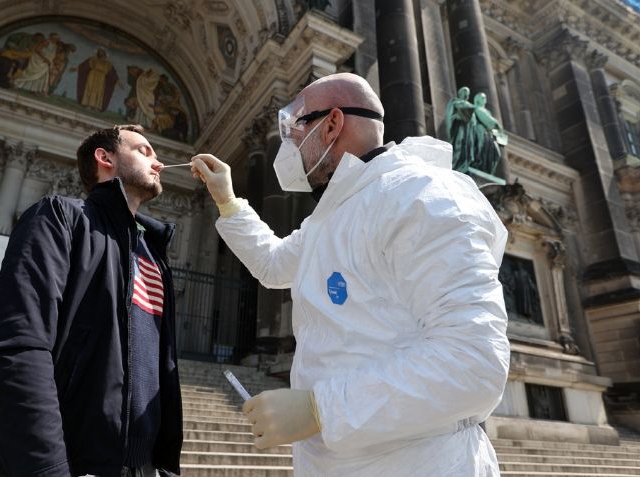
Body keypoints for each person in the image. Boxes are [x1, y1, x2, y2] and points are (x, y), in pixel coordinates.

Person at [191, 72, 510, 476]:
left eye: (294, 129)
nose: (288, 145)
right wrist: (228, 201)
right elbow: (273, 264)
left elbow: (473, 362)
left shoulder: (424, 195)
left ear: (331, 124)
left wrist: (321, 409)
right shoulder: (332, 216)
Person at [0, 124, 183, 477]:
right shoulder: (60, 217)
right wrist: (47, 468)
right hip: (72, 461)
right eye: (144, 152)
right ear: (105, 158)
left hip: (141, 465)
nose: (158, 163)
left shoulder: (154, 251)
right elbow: (14, 345)